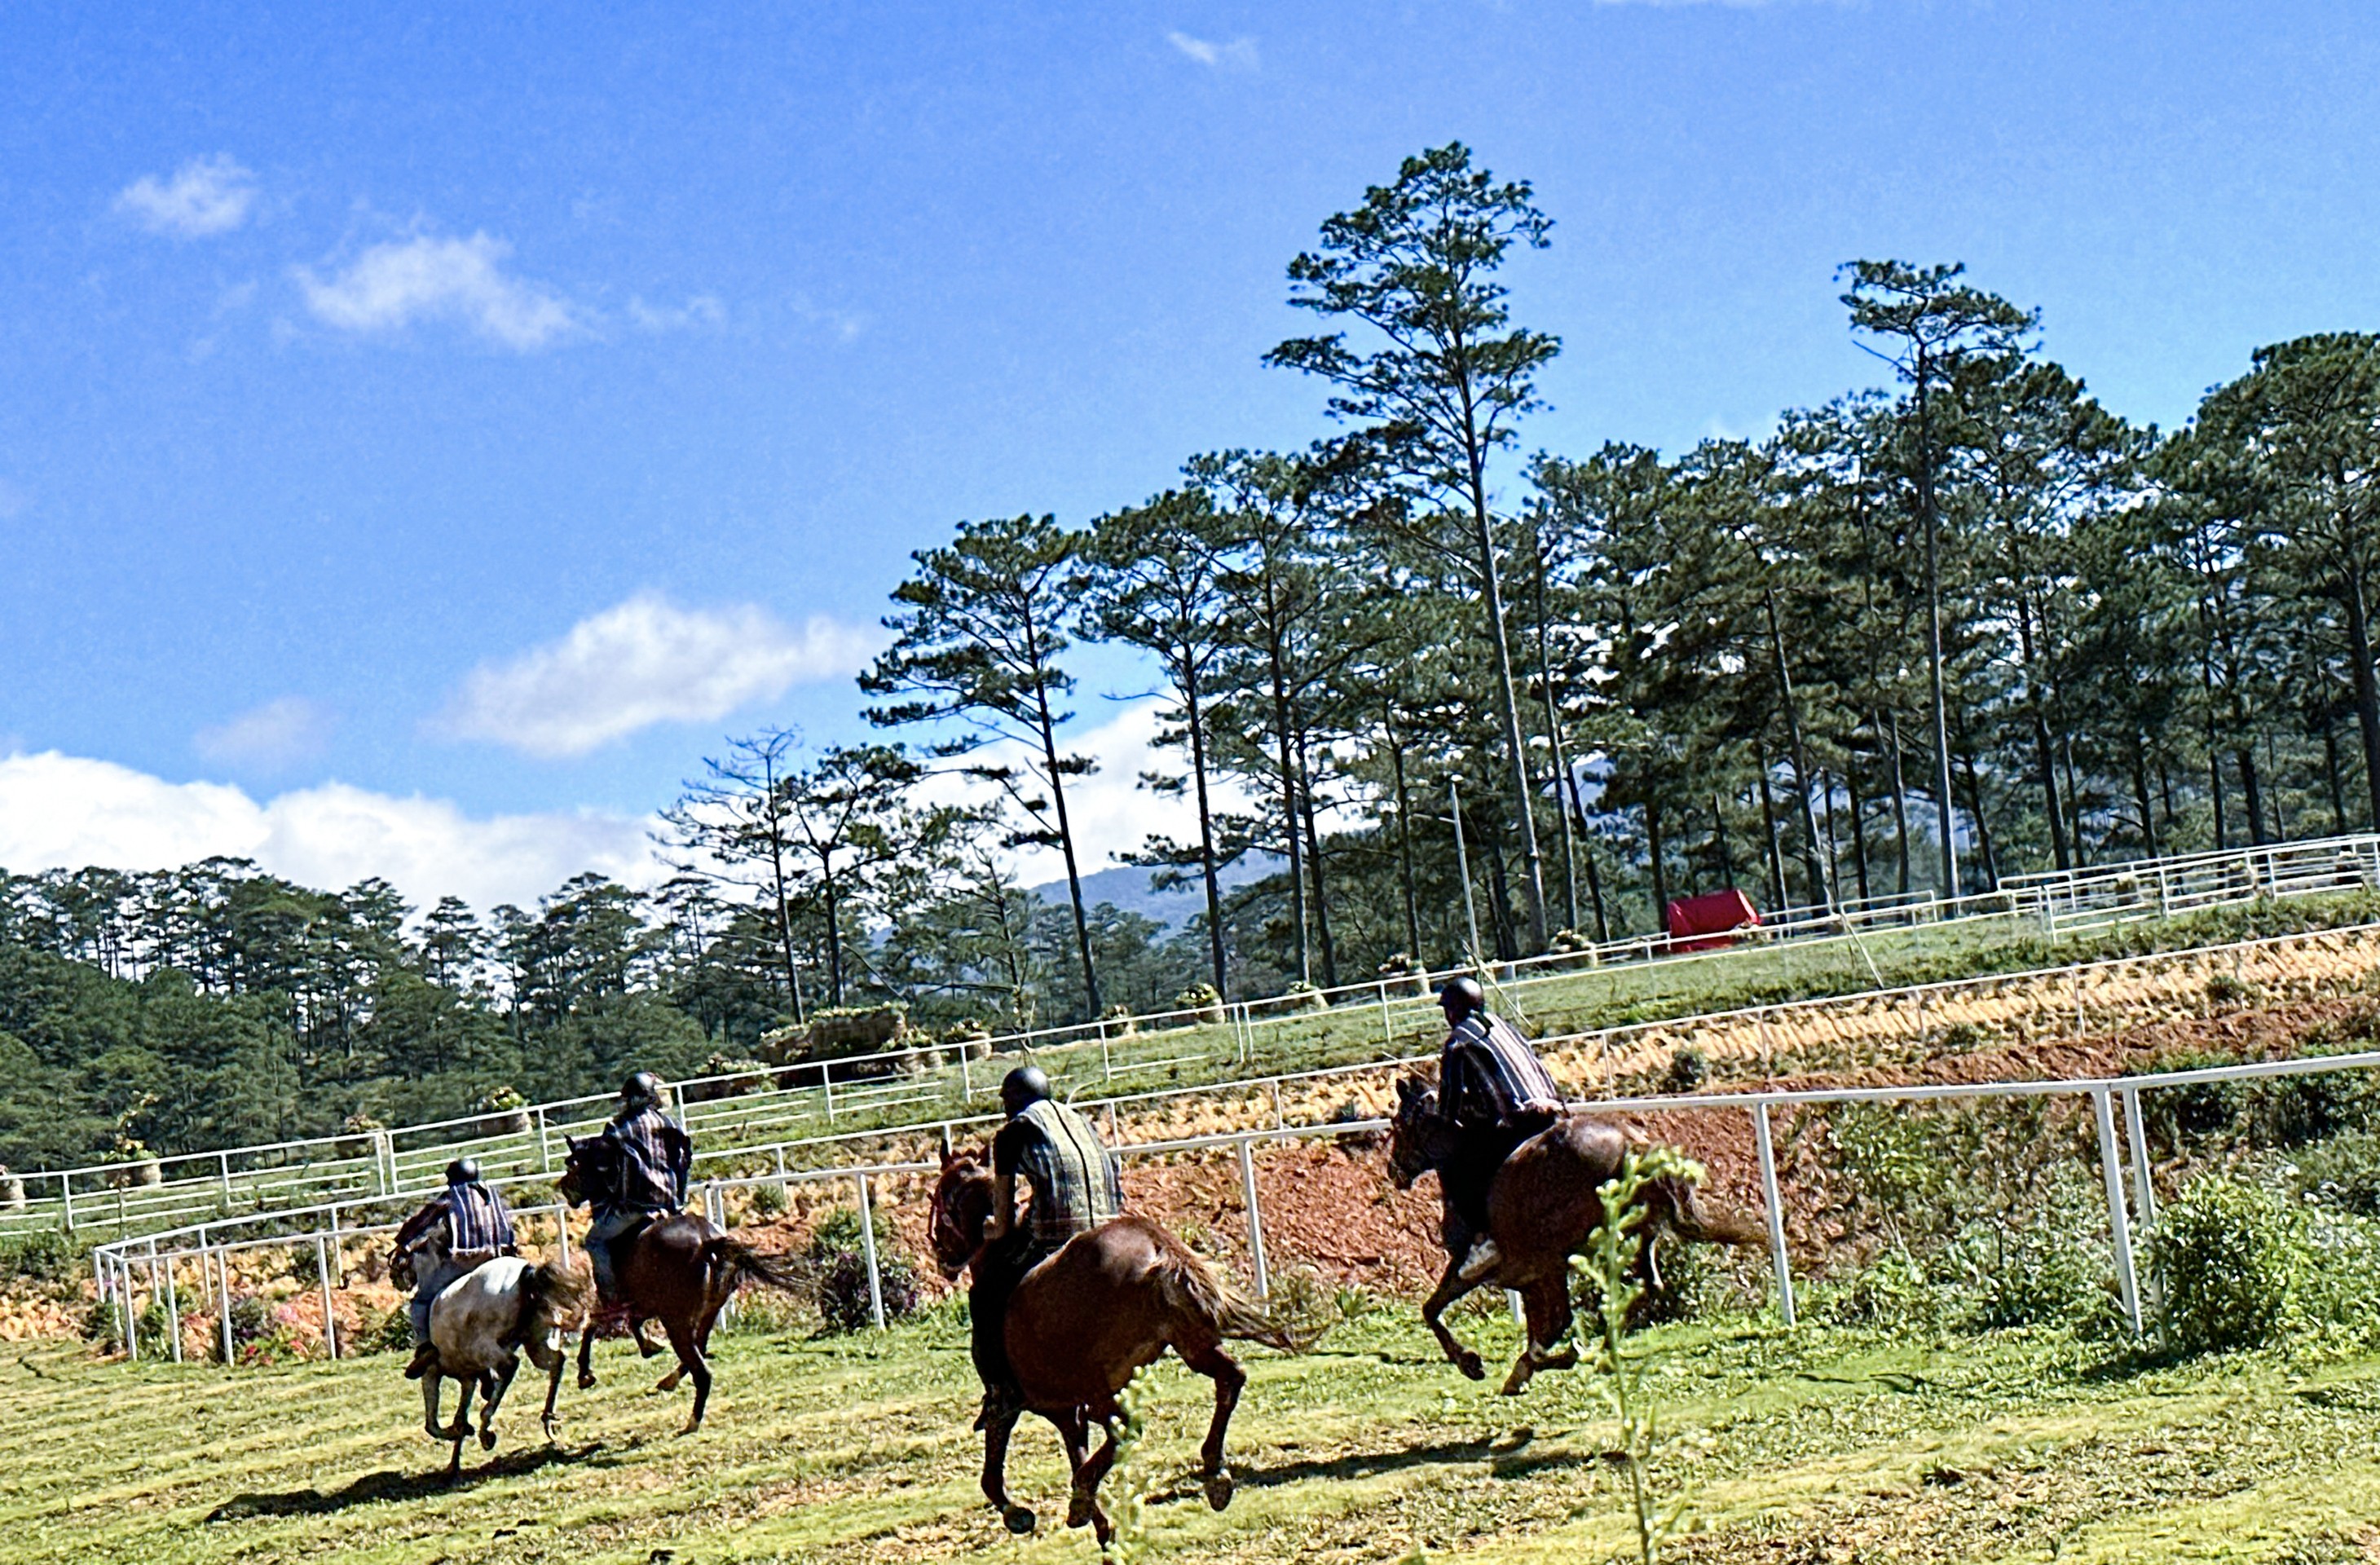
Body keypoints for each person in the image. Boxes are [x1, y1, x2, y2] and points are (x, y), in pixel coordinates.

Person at [971, 1065, 1123, 1428]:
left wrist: (992, 1229)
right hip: (1108, 1228)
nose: (1005, 1108)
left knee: (986, 1295)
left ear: (1018, 1099)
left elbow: (1005, 1220)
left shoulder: (1013, 1132)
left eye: (1007, 1100)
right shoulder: (1081, 1120)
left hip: (1057, 1237)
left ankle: (1000, 1391)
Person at [1429, 975, 1565, 1263]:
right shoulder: (1504, 1026)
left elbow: (1450, 1108)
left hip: (1523, 1120)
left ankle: (1485, 1242)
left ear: (1453, 1011)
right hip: (1556, 1108)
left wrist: (1448, 1117)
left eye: (1447, 1010)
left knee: (1463, 1174)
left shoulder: (1457, 1042)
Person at [391, 1157, 518, 1380]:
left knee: (421, 1301)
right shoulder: (493, 1196)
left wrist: (403, 1240)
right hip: (501, 1256)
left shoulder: (451, 1199)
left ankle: (425, 1347)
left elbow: (422, 1223)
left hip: (466, 1260)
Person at [586, 1069, 692, 1310]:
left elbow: (604, 1168)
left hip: (635, 1207)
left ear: (631, 1099)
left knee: (594, 1240)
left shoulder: (618, 1129)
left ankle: (611, 1300)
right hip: (671, 1204)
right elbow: (686, 1159)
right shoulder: (671, 1124)